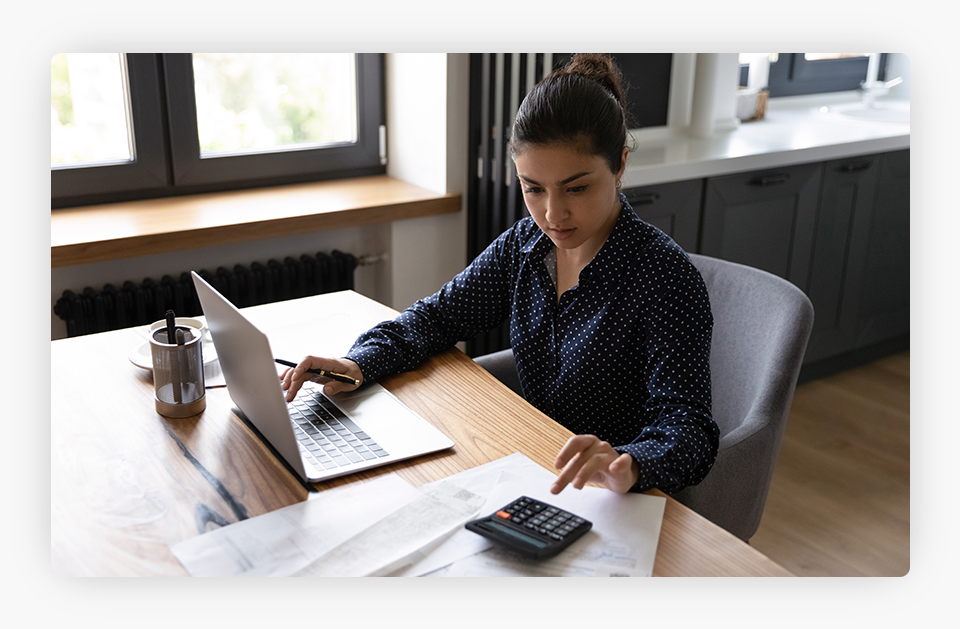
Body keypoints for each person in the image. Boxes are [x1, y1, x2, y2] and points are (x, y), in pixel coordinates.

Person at [282, 54, 719, 497]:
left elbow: (689, 427)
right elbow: (437, 317)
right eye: (533, 188)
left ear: (620, 164)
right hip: (530, 468)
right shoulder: (525, 246)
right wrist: (357, 363)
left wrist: (628, 463)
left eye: (577, 187)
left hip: (620, 499)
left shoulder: (663, 277)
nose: (552, 213)